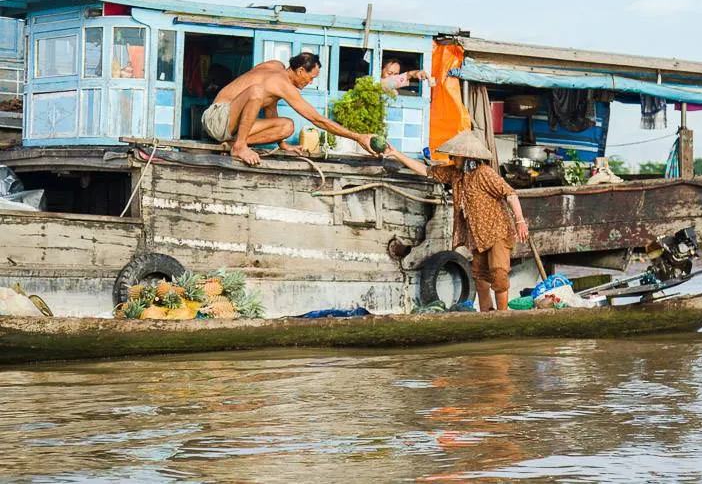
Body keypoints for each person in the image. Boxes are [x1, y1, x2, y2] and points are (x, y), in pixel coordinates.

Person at [384, 130, 529, 312]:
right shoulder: (455, 174)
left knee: (499, 276)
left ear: (467, 156)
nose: (453, 158)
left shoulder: (484, 173)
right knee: (481, 281)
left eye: (456, 155)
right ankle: (487, 317)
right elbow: (426, 171)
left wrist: (520, 221)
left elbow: (510, 194)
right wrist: (396, 153)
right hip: (478, 236)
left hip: (498, 231)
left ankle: (503, 316)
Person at [202, 52, 376, 166]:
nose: (311, 82)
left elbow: (269, 106)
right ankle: (240, 146)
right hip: (217, 117)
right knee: (256, 91)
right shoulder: (283, 84)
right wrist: (358, 137)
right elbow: (317, 120)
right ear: (300, 71)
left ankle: (232, 143)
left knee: (287, 127)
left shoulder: (276, 66)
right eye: (311, 77)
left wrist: (282, 143)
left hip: (228, 124)